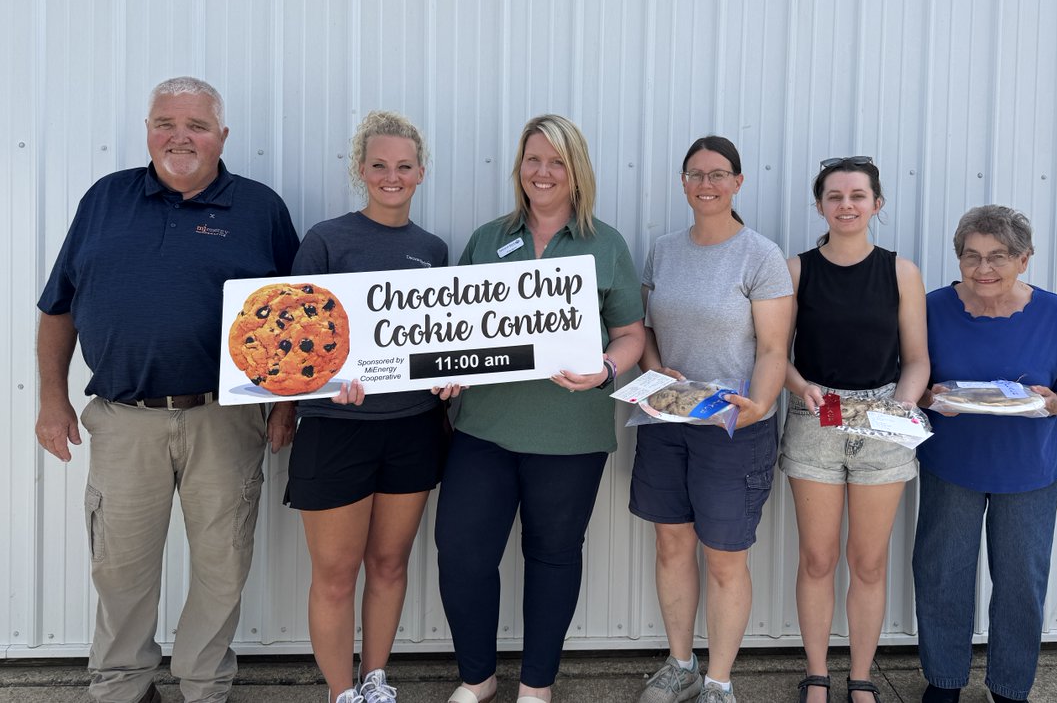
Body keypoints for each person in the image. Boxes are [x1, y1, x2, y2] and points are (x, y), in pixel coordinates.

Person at [34, 77, 300, 703]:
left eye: (197, 125)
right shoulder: (104, 199)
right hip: (123, 419)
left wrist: (285, 404)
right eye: (165, 123)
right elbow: (57, 306)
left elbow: (296, 315)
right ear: (148, 130)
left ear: (222, 137)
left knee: (221, 564)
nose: (180, 137)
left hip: (226, 417)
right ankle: (121, 686)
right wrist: (51, 398)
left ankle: (204, 686)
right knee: (120, 568)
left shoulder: (261, 208)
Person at [434, 114, 645, 703]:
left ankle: (536, 686)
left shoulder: (607, 243)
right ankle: (477, 679)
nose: (543, 172)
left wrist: (606, 367)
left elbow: (631, 332)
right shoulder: (487, 238)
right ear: (518, 168)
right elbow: (452, 330)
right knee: (462, 552)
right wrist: (446, 376)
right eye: (533, 160)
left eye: (557, 161)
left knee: (552, 557)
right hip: (485, 428)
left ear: (576, 172)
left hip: (570, 434)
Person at [276, 112, 450, 703]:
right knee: (334, 575)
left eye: (403, 166)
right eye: (379, 165)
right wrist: (327, 382)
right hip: (337, 428)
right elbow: (294, 338)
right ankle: (339, 692)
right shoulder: (327, 239)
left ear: (421, 173)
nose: (391, 176)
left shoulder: (433, 250)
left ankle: (375, 680)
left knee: (390, 564)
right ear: (360, 170)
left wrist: (449, 377)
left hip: (412, 429)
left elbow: (435, 341)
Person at [631, 136, 793, 703]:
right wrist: (655, 372)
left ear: (738, 183)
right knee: (672, 547)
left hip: (732, 429)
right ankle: (680, 664)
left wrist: (762, 405)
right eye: (696, 174)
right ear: (683, 182)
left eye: (719, 174)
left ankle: (719, 681)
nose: (707, 184)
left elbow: (774, 347)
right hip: (665, 423)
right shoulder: (663, 251)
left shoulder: (760, 255)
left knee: (726, 557)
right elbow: (645, 329)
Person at [913, 205, 1057, 703]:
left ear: (1024, 260)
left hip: (1031, 467)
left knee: (1020, 583)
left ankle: (1010, 687)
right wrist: (931, 398)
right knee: (942, 572)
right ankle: (943, 681)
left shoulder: (1056, 312)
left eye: (998, 257)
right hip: (953, 462)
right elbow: (914, 383)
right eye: (972, 257)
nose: (983, 269)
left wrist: (1052, 403)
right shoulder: (932, 308)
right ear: (959, 258)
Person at [778, 156, 930, 703]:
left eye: (858, 196)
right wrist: (799, 387)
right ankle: (817, 675)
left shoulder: (900, 271)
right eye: (835, 196)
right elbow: (776, 353)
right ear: (820, 205)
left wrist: (900, 407)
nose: (846, 205)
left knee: (868, 561)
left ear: (876, 205)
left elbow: (917, 359)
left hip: (884, 416)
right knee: (817, 559)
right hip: (815, 418)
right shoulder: (796, 270)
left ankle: (861, 677)